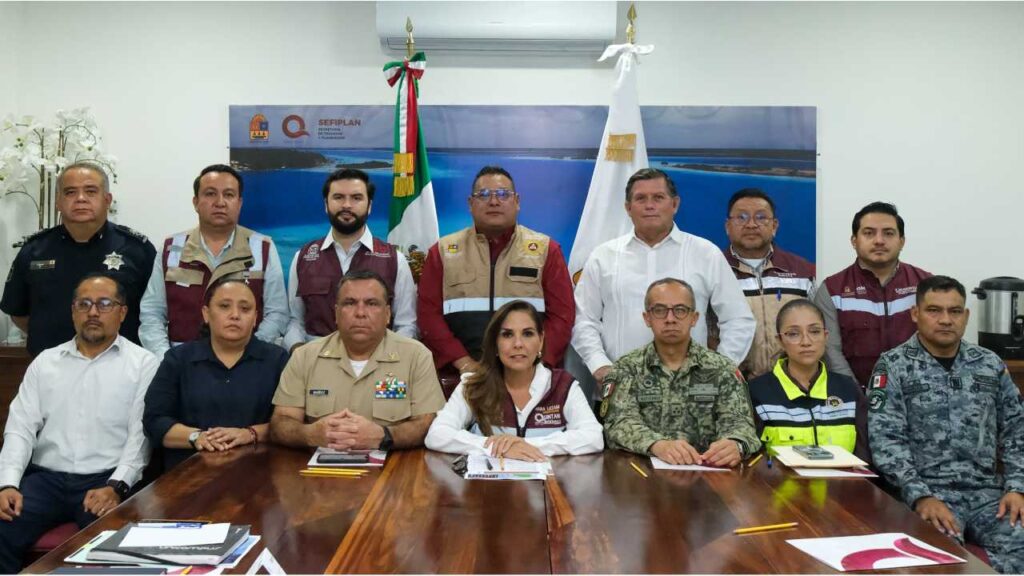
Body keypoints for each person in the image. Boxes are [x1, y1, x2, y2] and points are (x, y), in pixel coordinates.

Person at [0, 274, 158, 574]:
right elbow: (20, 429)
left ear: (122, 312)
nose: (93, 312)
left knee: (118, 549)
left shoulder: (143, 364)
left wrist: (117, 486)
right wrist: (7, 483)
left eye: (104, 304)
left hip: (104, 480)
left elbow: (141, 437)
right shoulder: (46, 362)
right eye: (84, 304)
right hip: (45, 481)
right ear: (73, 311)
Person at [868, 275, 1024, 573]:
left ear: (965, 316)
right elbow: (886, 441)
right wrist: (920, 496)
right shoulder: (894, 365)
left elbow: (1018, 428)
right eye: (934, 310)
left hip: (988, 495)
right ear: (915, 314)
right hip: (927, 493)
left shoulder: (989, 364)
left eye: (954, 311)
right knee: (940, 559)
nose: (945, 320)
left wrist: (1017, 487)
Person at [573, 168, 754, 403]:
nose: (650, 205)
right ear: (628, 208)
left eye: (658, 198)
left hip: (690, 395)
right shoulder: (603, 256)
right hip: (620, 392)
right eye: (640, 198)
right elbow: (583, 319)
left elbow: (738, 319)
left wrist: (717, 369)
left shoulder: (705, 253)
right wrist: (600, 366)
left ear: (675, 204)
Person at [417, 165, 575, 386]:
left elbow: (562, 316)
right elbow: (428, 316)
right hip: (460, 378)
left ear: (517, 201)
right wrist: (463, 363)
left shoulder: (546, 250)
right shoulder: (443, 251)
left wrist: (534, 364)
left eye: (503, 194)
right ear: (471, 205)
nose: (493, 201)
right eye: (483, 195)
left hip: (531, 376)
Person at [270, 270, 445, 451]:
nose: (360, 312)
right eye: (350, 303)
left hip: (393, 470)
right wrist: (310, 434)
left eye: (371, 303)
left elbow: (427, 423)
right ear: (336, 314)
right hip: (320, 472)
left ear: (387, 314)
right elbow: (281, 423)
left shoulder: (416, 356)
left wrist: (385, 436)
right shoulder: (305, 357)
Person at [1, 162, 156, 356]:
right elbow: (18, 312)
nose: (80, 199)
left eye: (90, 191)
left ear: (107, 199)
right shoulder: (35, 250)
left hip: (122, 370)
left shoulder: (137, 249)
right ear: (58, 201)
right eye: (70, 192)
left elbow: (155, 314)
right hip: (53, 368)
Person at [602, 278, 760, 468]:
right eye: (660, 310)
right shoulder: (627, 368)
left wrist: (735, 444)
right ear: (647, 318)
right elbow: (618, 424)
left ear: (694, 318)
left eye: (680, 310)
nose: (670, 319)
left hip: (708, 474)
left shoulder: (721, 369)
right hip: (644, 476)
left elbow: (741, 424)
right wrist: (658, 445)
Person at [139, 163, 288, 357]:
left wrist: (249, 355)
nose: (220, 202)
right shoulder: (172, 247)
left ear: (239, 202)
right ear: (195, 202)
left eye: (229, 195)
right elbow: (152, 313)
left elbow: (277, 313)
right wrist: (166, 360)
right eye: (210, 194)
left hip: (245, 364)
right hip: (182, 363)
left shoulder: (262, 247)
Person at [425, 300, 603, 459]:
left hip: (548, 489)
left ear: (541, 341)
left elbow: (593, 437)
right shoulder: (473, 384)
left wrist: (528, 446)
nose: (518, 344)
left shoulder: (562, 385)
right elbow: (437, 434)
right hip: (486, 490)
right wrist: (494, 447)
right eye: (507, 335)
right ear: (495, 343)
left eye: (527, 334)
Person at [143, 277, 289, 471]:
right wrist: (198, 437)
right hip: (188, 476)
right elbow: (154, 421)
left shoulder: (277, 360)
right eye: (224, 306)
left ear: (255, 318)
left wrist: (250, 434)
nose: (235, 315)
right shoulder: (179, 359)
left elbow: (290, 422)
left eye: (245, 309)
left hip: (259, 474)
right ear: (206, 313)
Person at [284, 168, 417, 351]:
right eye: (338, 197)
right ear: (326, 204)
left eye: (356, 198)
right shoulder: (304, 257)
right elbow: (294, 321)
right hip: (316, 364)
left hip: (378, 363)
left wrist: (388, 360)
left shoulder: (394, 260)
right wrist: (300, 354)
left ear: (369, 205)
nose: (347, 205)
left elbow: (406, 325)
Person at [812, 202, 931, 388]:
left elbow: (937, 342)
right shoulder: (833, 290)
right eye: (869, 233)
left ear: (902, 241)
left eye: (888, 233)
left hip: (917, 395)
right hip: (855, 398)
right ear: (854, 241)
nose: (879, 241)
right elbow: (830, 351)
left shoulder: (925, 284)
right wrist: (857, 396)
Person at [747, 299, 870, 462]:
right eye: (793, 334)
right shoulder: (756, 392)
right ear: (780, 341)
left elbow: (864, 458)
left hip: (843, 486)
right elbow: (754, 462)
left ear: (826, 336)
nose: (806, 342)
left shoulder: (847, 389)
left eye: (814, 331)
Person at [718, 188, 815, 379]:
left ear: (774, 226)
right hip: (733, 384)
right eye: (741, 217)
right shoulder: (714, 270)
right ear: (728, 226)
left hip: (793, 383)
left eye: (761, 217)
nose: (751, 225)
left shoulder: (804, 272)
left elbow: (817, 331)